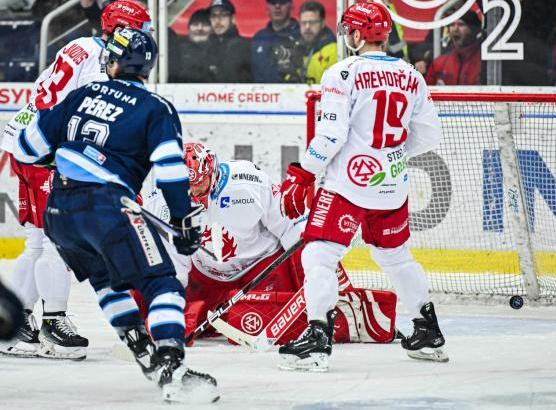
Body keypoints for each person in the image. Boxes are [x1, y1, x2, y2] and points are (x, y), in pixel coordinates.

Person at [12, 28, 219, 403]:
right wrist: (184, 219)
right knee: (162, 284)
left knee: (107, 283)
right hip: (107, 207)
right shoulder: (156, 107)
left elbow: (27, 148)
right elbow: (171, 170)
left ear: (113, 61)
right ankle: (172, 365)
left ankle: (140, 347)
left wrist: (53, 152)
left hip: (58, 211)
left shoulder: (80, 94)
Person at [277, 1, 447, 372]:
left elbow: (332, 134)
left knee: (318, 255)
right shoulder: (411, 75)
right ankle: (428, 330)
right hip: (392, 185)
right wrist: (391, 155)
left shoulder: (341, 73)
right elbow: (430, 136)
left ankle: (318, 338)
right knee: (396, 256)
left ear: (355, 34)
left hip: (348, 187)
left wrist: (303, 173)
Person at [0, 0, 151, 361]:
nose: (144, 39)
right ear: (118, 29)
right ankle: (53, 322)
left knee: (40, 242)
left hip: (37, 146)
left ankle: (17, 323)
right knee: (59, 242)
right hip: (40, 149)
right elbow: (49, 101)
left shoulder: (98, 55)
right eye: (138, 30)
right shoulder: (90, 53)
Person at [143, 143, 305, 339]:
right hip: (206, 273)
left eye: (198, 185)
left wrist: (311, 276)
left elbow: (291, 227)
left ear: (213, 174)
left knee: (253, 323)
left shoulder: (248, 182)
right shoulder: (160, 202)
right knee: (156, 312)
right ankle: (221, 312)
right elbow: (175, 264)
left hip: (261, 266)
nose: (192, 194)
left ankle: (232, 311)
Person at [425, 8, 483, 85]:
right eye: (452, 25)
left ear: (474, 30)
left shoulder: (486, 63)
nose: (455, 29)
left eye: (461, 24)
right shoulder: (439, 63)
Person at [251, 0, 302, 83]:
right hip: (262, 94)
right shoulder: (259, 38)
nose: (277, 6)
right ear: (267, 7)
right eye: (273, 2)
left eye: (282, 2)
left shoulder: (302, 35)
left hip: (294, 93)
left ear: (291, 6)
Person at [202, 0, 251, 83]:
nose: (217, 20)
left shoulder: (245, 46)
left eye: (223, 15)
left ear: (233, 19)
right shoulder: (205, 48)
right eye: (213, 16)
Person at [170, 8, 212, 83]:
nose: (200, 28)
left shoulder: (219, 50)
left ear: (212, 29)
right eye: (195, 24)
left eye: (205, 25)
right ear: (189, 28)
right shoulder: (177, 48)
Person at [299, 1, 336, 85]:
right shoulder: (296, 47)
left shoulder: (334, 51)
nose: (307, 27)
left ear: (322, 23)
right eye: (304, 23)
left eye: (312, 23)